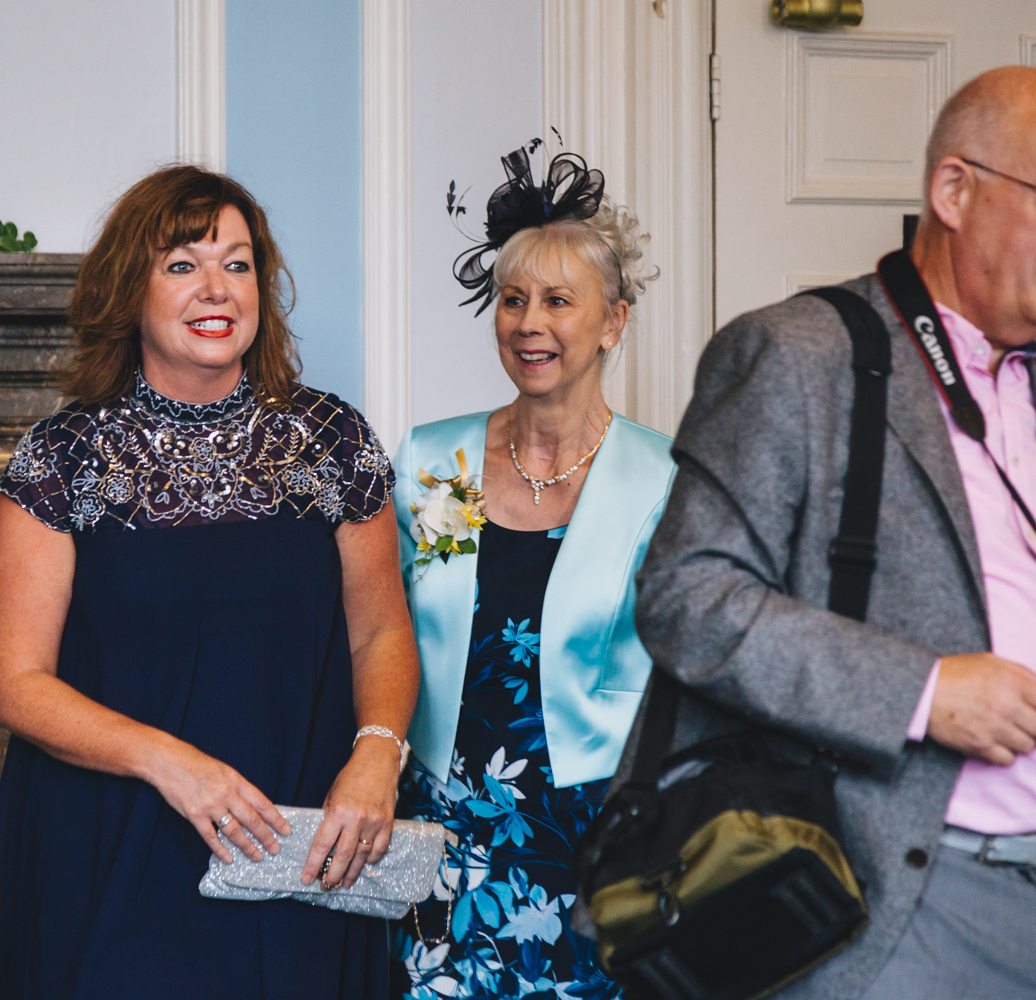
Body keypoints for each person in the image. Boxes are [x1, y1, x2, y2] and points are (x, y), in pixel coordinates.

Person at [0, 165, 419, 1000]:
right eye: (183, 264)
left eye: (237, 265)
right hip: (115, 839)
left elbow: (379, 630)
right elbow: (15, 685)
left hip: (298, 842)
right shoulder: (63, 458)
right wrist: (174, 765)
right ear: (130, 288)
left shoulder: (331, 439)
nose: (217, 289)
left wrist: (377, 757)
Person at [627, 66, 1036, 998]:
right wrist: (924, 692)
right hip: (896, 903)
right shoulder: (800, 354)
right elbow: (689, 600)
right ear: (955, 191)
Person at [389, 142, 675, 999]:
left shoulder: (662, 482)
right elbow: (401, 616)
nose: (528, 323)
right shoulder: (439, 462)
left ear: (612, 322)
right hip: (442, 824)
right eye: (512, 300)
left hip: (597, 835)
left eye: (558, 301)